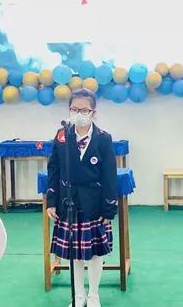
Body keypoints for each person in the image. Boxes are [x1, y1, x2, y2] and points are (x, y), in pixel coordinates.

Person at [46, 89, 117, 307]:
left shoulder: (103, 139)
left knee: (95, 253)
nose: (79, 114)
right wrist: (51, 201)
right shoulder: (62, 135)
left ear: (93, 112)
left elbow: (109, 175)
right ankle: (78, 295)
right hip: (68, 202)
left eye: (84, 110)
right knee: (74, 253)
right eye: (74, 109)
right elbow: (54, 169)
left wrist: (108, 208)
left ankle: (94, 294)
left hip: (93, 203)